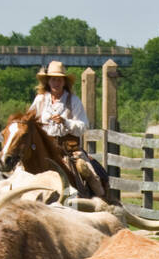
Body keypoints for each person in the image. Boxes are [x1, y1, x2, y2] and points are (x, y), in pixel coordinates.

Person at [30, 60, 104, 197]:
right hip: (44, 148)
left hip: (69, 151)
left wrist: (66, 122)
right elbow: (29, 122)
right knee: (23, 168)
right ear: (48, 81)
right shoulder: (40, 100)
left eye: (59, 80)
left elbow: (83, 126)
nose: (56, 83)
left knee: (90, 173)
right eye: (53, 80)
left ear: (64, 82)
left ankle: (102, 201)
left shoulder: (73, 100)